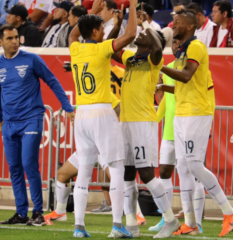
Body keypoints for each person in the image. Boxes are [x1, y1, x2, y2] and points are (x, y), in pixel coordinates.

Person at [159, 9, 233, 237]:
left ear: (188, 26)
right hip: (183, 112)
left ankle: (229, 212)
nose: (172, 26)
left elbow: (186, 75)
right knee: (183, 168)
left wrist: (158, 66)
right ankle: (190, 223)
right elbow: (183, 86)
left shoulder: (196, 47)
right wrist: (161, 87)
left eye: (176, 23)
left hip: (197, 112)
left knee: (194, 165)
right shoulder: (182, 51)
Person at [67, 0, 138, 237]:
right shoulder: (102, 48)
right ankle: (117, 226)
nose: (103, 31)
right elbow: (131, 34)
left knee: (84, 172)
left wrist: (93, 13)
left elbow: (73, 33)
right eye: (101, 28)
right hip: (101, 111)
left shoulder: (75, 49)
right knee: (116, 168)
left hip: (82, 113)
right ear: (96, 32)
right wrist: (133, 5)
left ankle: (79, 227)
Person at [0, 24, 74, 227]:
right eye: (9, 38)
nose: (14, 41)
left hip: (31, 118)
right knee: (15, 168)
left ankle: (38, 212)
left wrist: (68, 107)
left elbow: (53, 81)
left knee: (29, 164)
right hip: (9, 123)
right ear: (0, 42)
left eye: (16, 37)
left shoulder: (32, 59)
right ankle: (21, 213)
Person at [110, 26, 181, 238]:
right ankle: (131, 225)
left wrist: (145, 27)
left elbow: (159, 45)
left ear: (152, 42)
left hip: (143, 122)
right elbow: (110, 47)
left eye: (144, 35)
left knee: (147, 174)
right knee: (127, 175)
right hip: (126, 121)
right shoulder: (131, 57)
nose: (139, 35)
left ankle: (170, 220)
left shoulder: (154, 60)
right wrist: (116, 24)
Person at [149, 38, 216, 234]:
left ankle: (196, 220)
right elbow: (166, 100)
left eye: (180, 43)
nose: (177, 46)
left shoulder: (198, 70)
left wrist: (206, 125)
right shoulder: (169, 68)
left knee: (193, 173)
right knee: (165, 174)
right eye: (175, 43)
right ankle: (166, 218)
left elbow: (208, 97)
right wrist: (154, 119)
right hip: (171, 129)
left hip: (191, 124)